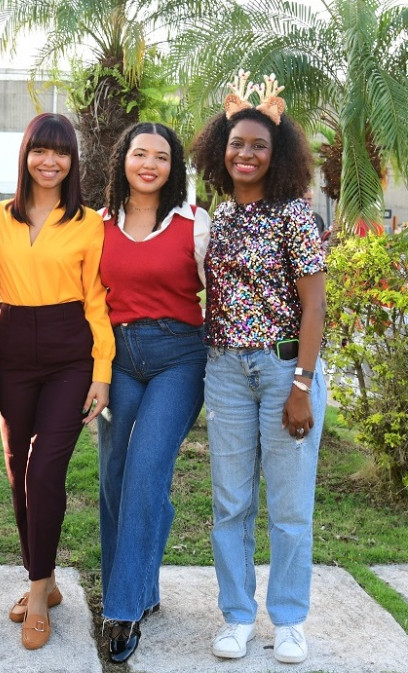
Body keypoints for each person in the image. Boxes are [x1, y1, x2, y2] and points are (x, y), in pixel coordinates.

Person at [190, 70, 327, 665]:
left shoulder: (295, 216)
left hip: (282, 369)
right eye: (237, 144)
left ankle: (291, 620)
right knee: (231, 503)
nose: (246, 153)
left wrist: (301, 383)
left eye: (259, 145)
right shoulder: (218, 218)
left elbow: (315, 305)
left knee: (290, 506)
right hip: (224, 370)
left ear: (279, 155)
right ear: (221, 152)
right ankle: (239, 616)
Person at [0, 112, 114, 650]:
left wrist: (102, 374)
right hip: (13, 351)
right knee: (17, 473)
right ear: (26, 155)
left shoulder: (88, 222)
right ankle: (47, 579)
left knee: (45, 474)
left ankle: (37, 595)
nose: (50, 161)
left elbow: (97, 300)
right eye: (41, 149)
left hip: (70, 353)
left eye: (61, 152)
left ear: (72, 161)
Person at [97, 122, 210, 663]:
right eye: (138, 153)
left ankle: (121, 609)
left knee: (146, 468)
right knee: (116, 473)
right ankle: (145, 587)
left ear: (173, 167)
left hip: (178, 357)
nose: (148, 164)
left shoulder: (195, 224)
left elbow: (227, 293)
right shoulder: (97, 225)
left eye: (160, 157)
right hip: (117, 358)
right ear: (122, 160)